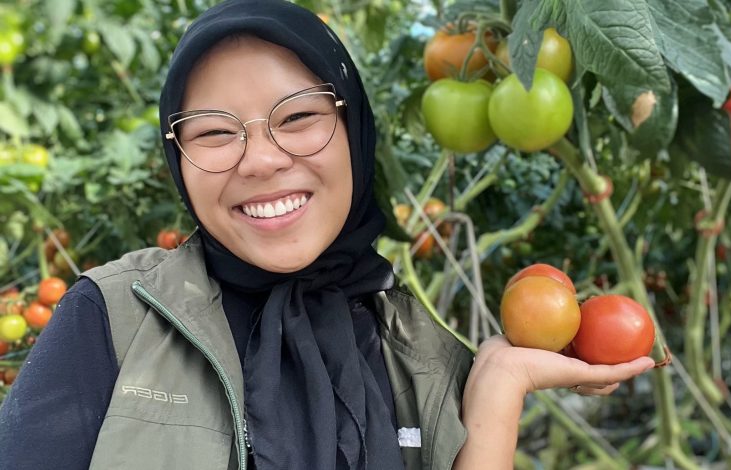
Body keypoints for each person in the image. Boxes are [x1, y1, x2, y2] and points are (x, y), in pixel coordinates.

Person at [0, 1, 654, 469]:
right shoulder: (115, 319)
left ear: (355, 130)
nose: (259, 160)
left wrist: (498, 388)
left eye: (300, 116)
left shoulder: (417, 346)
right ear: (178, 157)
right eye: (213, 132)